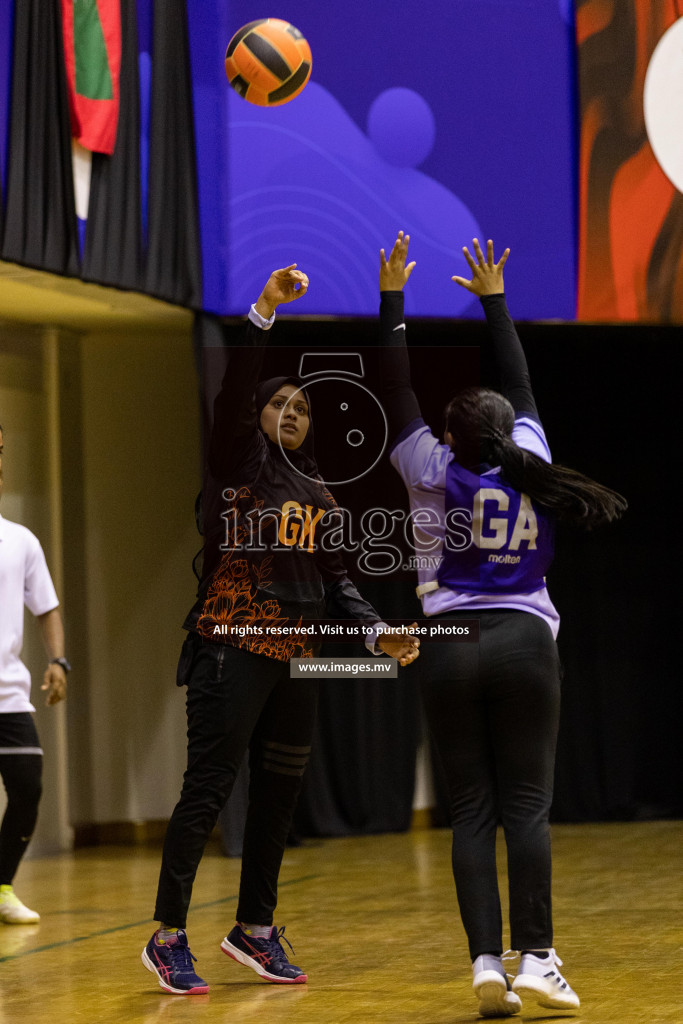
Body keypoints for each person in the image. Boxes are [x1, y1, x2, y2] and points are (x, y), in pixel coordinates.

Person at [142, 265, 420, 995]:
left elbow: (339, 583)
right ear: (258, 417)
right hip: (231, 647)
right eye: (280, 403)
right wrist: (264, 310)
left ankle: (254, 931)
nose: (292, 411)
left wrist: (375, 636)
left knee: (280, 798)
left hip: (299, 659)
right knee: (207, 788)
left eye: (303, 405)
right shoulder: (239, 464)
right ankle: (167, 935)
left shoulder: (320, 491)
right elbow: (236, 394)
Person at [377, 234, 627, 1017]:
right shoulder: (530, 456)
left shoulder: (424, 464)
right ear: (506, 429)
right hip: (522, 642)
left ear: (449, 438)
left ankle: (486, 963)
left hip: (449, 646)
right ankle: (538, 961)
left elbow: (394, 391)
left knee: (471, 812)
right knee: (526, 808)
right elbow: (519, 385)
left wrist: (392, 300)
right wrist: (495, 300)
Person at [0, 424, 69, 924]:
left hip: (9, 694)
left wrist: (57, 661)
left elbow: (47, 608)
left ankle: (0, 886)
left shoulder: (20, 540)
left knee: (28, 788)